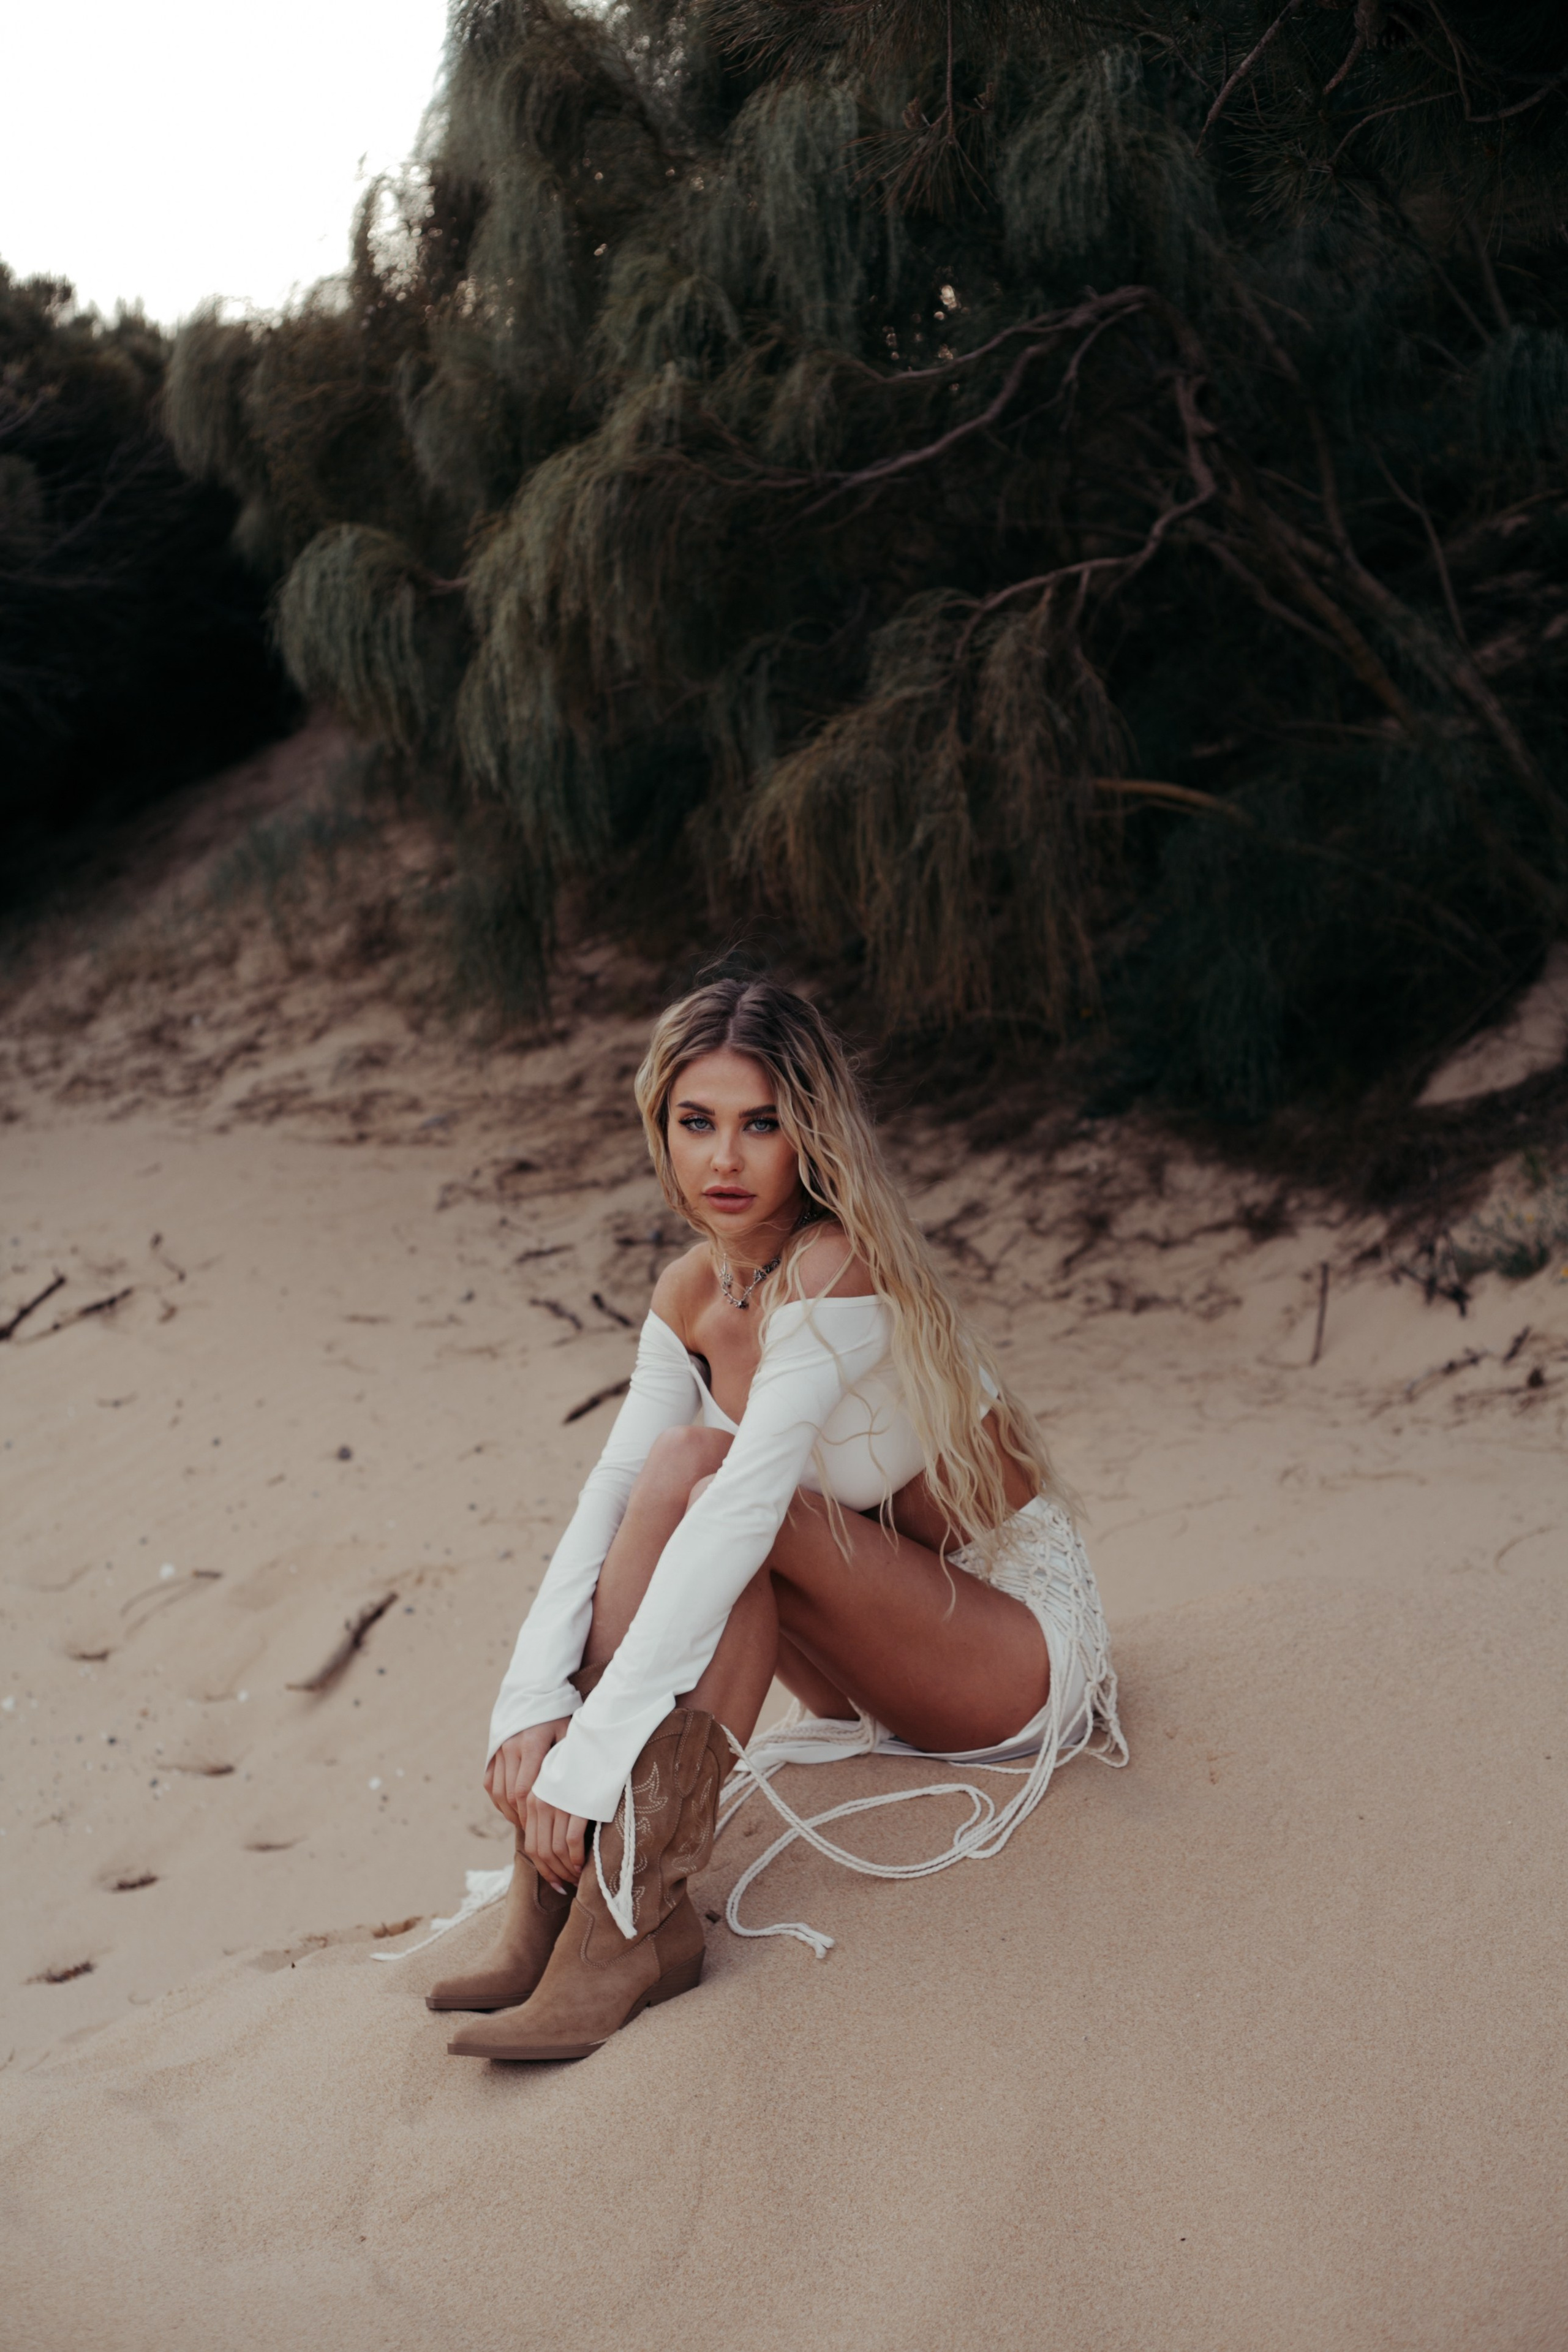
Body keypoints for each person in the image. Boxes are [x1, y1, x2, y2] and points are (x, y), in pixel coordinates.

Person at [432, 975, 1124, 2062]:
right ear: (661, 1127)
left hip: (1009, 1657)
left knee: (726, 1497)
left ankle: (624, 1924)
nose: (725, 1159)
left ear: (811, 1134)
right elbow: (612, 1495)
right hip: (867, 1644)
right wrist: (529, 1707)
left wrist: (589, 1761)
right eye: (696, 1123)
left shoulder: (836, 1267)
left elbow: (749, 1508)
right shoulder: (694, 1290)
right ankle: (556, 1901)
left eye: (761, 1125)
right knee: (675, 1468)